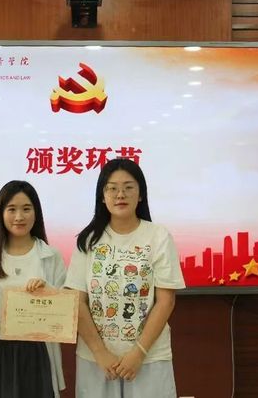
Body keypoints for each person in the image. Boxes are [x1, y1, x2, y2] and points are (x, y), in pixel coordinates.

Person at [64, 158, 186, 398]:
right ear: (102, 196)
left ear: (140, 194)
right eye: (112, 188)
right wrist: (100, 352)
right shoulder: (88, 240)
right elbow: (76, 301)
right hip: (97, 359)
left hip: (148, 357)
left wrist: (138, 352)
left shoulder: (158, 236)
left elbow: (166, 301)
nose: (120, 194)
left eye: (129, 187)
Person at [0, 180, 66, 398]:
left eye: (26, 209)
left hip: (35, 353)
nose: (19, 217)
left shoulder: (50, 256)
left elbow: (65, 312)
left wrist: (47, 292)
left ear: (36, 213)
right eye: (11, 209)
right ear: (1, 213)